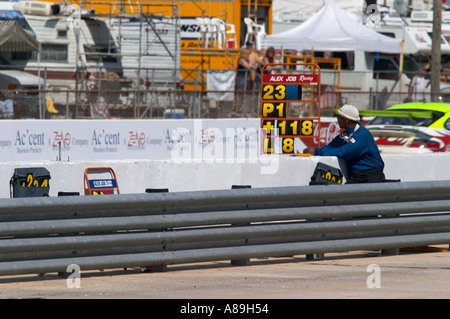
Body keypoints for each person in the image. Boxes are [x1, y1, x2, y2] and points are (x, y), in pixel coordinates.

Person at [303, 104, 385, 184]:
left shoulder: (362, 134)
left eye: (339, 117)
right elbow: (330, 147)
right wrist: (314, 150)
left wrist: (317, 151)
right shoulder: (344, 135)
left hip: (371, 176)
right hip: (357, 176)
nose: (337, 119)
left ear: (346, 120)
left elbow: (344, 152)